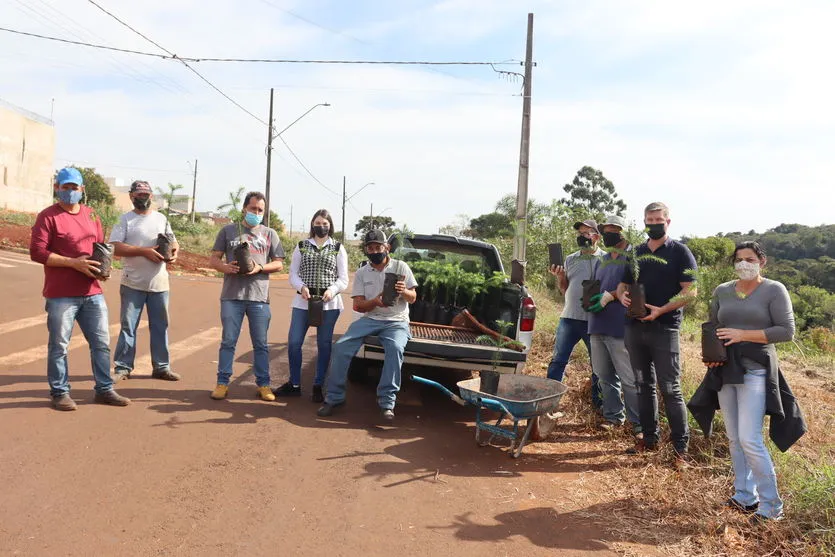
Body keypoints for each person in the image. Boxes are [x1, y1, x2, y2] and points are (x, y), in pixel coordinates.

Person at [692, 242, 800, 522]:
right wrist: (711, 354)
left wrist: (742, 334)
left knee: (749, 438)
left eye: (749, 259)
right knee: (733, 438)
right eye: (739, 259)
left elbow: (786, 331)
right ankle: (744, 496)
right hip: (726, 370)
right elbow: (712, 326)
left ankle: (772, 507)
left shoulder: (774, 290)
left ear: (762, 261)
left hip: (756, 370)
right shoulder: (723, 290)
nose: (743, 264)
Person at [29, 167, 130, 411]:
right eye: (65, 187)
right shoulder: (48, 217)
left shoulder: (92, 215)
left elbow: (98, 247)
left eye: (75, 188)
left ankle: (104, 389)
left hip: (92, 292)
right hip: (61, 294)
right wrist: (73, 263)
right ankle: (60, 392)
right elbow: (37, 252)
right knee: (59, 345)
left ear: (82, 190)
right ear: (57, 188)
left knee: (101, 343)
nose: (70, 192)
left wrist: (101, 269)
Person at [617, 202, 697, 459]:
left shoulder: (680, 252)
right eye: (649, 220)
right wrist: (622, 298)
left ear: (668, 222)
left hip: (665, 329)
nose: (653, 224)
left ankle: (679, 449)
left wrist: (661, 310)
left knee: (671, 388)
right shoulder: (636, 252)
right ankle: (649, 440)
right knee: (643, 385)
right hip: (634, 327)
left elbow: (690, 292)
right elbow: (622, 286)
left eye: (658, 220)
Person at [317, 229, 417, 421]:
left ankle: (387, 403)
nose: (374, 251)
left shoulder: (401, 267)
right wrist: (375, 302)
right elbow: (358, 305)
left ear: (386, 247)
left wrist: (404, 291)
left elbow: (413, 298)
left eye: (378, 247)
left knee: (395, 348)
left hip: (396, 321)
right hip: (370, 319)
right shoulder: (363, 272)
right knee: (340, 347)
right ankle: (334, 397)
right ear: (366, 250)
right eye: (370, 248)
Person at [208, 191, 285, 402]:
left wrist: (259, 268)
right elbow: (214, 259)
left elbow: (278, 262)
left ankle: (264, 384)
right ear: (244, 208)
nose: (257, 213)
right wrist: (226, 267)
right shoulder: (228, 231)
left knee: (260, 344)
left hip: (259, 297)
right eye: (253, 209)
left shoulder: (270, 234)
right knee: (228, 341)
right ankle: (222, 382)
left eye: (260, 210)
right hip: (232, 296)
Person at [274, 209, 348, 402]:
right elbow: (293, 274)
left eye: (325, 223)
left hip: (328, 304)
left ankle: (318, 385)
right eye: (318, 223)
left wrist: (331, 290)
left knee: (324, 345)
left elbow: (343, 279)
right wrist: (301, 287)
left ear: (330, 225)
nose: (321, 226)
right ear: (312, 224)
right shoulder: (302, 246)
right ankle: (295, 384)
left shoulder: (338, 248)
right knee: (294, 342)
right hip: (303, 301)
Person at [110, 180, 181, 381]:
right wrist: (144, 252)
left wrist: (174, 252)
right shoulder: (125, 220)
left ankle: (161, 367)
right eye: (139, 195)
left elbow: (173, 241)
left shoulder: (161, 218)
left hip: (159, 284)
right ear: (132, 196)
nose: (144, 198)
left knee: (160, 326)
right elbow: (115, 247)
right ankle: (123, 367)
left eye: (147, 194)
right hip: (132, 283)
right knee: (128, 327)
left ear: (152, 196)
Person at [585, 215, 640, 434]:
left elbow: (637, 286)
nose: (608, 233)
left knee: (628, 378)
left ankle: (638, 423)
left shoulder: (634, 256)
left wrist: (612, 296)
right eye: (605, 229)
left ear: (622, 231)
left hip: (621, 326)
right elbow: (597, 287)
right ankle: (613, 417)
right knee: (603, 375)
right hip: (597, 324)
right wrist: (590, 299)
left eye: (612, 230)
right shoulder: (603, 259)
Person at [547, 219, 605, 407]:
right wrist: (560, 276)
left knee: (598, 365)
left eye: (586, 233)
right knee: (558, 361)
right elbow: (564, 289)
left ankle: (598, 405)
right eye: (580, 233)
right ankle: (549, 401)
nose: (582, 237)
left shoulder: (606, 259)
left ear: (596, 236)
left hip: (594, 321)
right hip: (569, 318)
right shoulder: (570, 259)